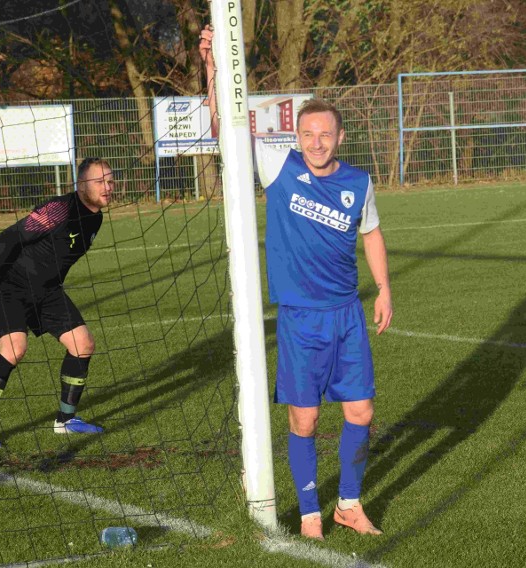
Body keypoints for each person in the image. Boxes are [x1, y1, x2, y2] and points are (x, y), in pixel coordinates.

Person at [200, 29, 393, 540]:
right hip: (301, 318)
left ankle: (348, 504)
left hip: (348, 314)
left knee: (362, 410)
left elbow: (371, 232)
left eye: (325, 134)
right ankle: (310, 513)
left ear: (340, 137)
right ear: (297, 136)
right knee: (303, 421)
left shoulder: (357, 181)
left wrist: (385, 289)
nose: (316, 143)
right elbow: (224, 127)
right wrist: (214, 70)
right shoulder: (277, 166)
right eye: (308, 134)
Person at [0, 157, 114, 447]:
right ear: (81, 185)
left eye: (110, 180)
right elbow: (9, 237)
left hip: (48, 291)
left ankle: (66, 420)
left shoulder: (97, 217)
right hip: (12, 287)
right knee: (14, 349)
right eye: (99, 181)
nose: (108, 187)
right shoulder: (59, 209)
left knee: (83, 344)